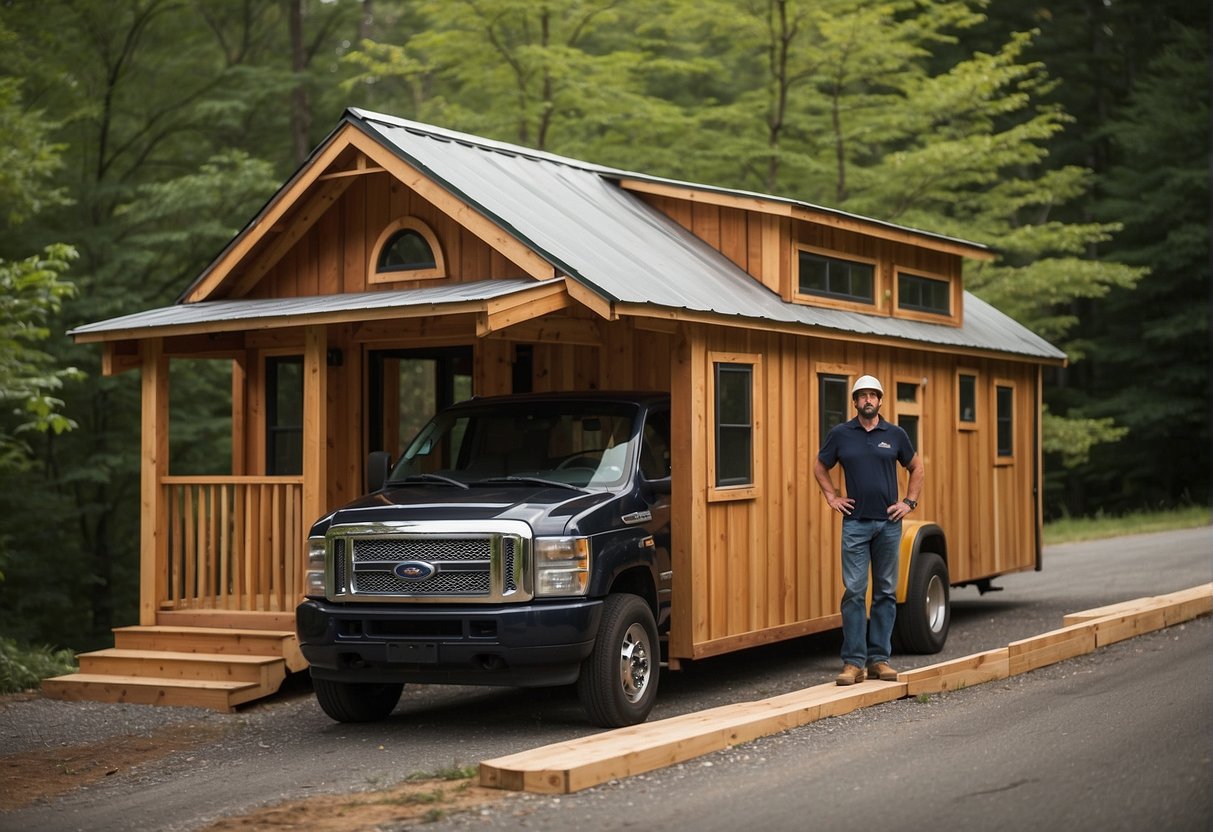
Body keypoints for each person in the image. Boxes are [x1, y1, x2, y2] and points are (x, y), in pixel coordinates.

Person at [813, 375, 924, 685]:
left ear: (880, 400)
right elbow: (820, 466)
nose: (867, 401)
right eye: (862, 396)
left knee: (886, 592)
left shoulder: (896, 434)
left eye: (872, 395)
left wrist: (909, 503)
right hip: (855, 525)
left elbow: (916, 467)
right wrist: (831, 496)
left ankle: (879, 660)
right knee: (854, 592)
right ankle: (853, 663)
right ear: (854, 402)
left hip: (889, 525)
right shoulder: (840, 435)